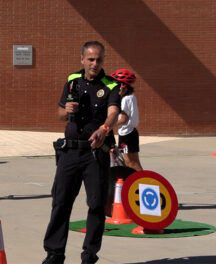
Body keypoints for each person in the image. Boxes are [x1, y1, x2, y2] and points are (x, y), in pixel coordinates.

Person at [42, 41, 121, 264]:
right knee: (60, 203)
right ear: (82, 59)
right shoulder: (72, 81)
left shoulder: (112, 85)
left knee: (96, 205)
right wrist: (65, 111)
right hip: (70, 153)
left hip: (96, 154)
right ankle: (54, 254)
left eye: (99, 59)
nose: (95, 63)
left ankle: (89, 255)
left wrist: (104, 129)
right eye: (91, 59)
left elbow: (113, 111)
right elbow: (59, 114)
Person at [111, 69, 143, 171]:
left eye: (117, 84)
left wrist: (108, 125)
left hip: (126, 133)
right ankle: (141, 182)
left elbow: (123, 119)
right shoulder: (130, 96)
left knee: (130, 162)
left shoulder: (126, 99)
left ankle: (140, 182)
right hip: (130, 132)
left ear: (123, 85)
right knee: (134, 161)